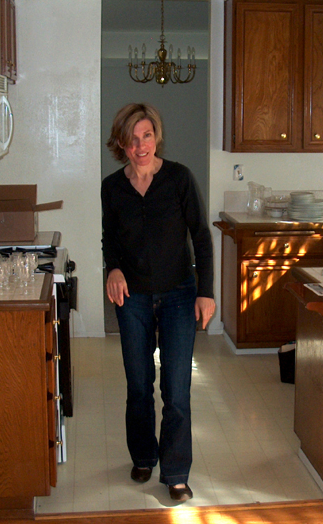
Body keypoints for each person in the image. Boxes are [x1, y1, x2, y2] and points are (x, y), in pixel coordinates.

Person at [101, 103, 215, 503]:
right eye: (131, 139)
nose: (140, 145)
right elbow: (110, 239)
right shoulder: (112, 187)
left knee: (177, 388)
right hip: (132, 299)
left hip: (180, 297)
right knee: (138, 386)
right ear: (121, 144)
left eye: (146, 135)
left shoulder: (179, 179)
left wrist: (206, 291)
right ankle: (144, 456)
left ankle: (176, 471)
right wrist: (112, 269)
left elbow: (201, 237)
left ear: (156, 137)